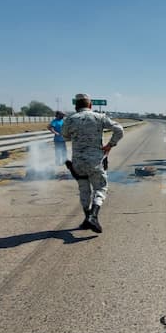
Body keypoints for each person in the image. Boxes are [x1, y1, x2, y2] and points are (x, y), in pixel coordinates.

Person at [62, 94, 124, 233]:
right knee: (100, 189)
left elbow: (65, 136)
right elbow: (119, 130)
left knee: (84, 190)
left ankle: (87, 219)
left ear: (76, 107)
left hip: (78, 162)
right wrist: (110, 145)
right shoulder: (99, 117)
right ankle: (93, 216)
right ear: (90, 106)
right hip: (95, 161)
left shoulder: (70, 119)